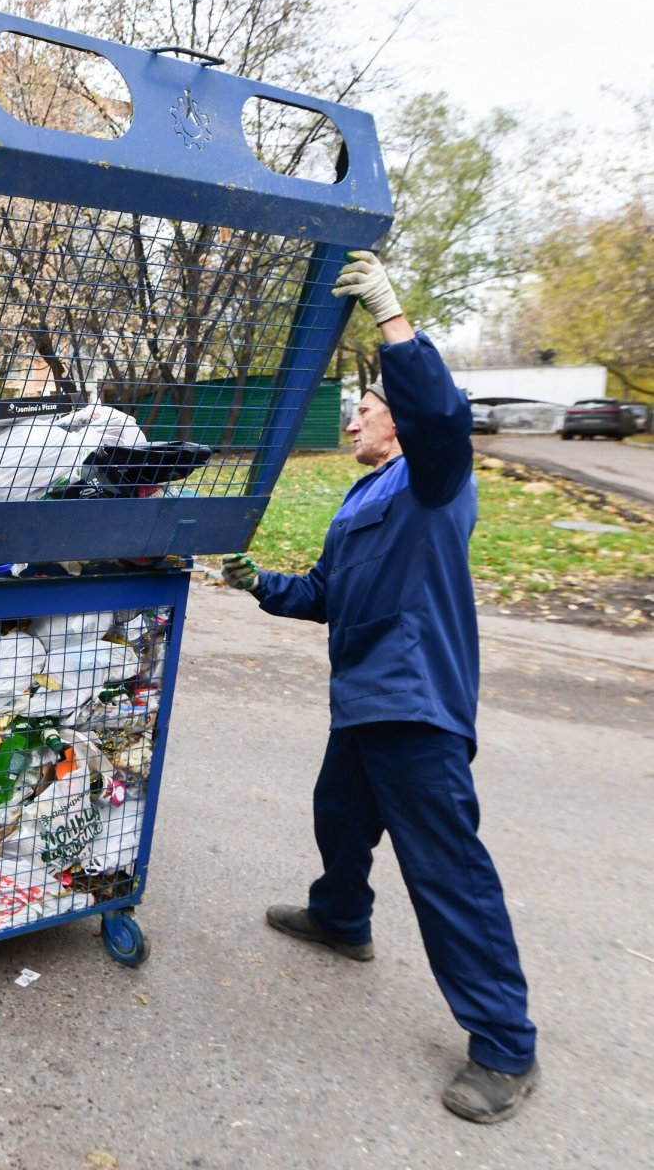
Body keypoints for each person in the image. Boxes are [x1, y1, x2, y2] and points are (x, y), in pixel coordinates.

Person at [221, 250, 538, 1124]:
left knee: (445, 869)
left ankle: (506, 1046)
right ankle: (340, 918)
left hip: (414, 702)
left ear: (397, 424)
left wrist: (393, 320)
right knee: (340, 817)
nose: (354, 420)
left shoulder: (433, 480)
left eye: (363, 409)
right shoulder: (360, 500)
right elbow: (325, 595)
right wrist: (255, 584)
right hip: (361, 697)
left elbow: (441, 412)